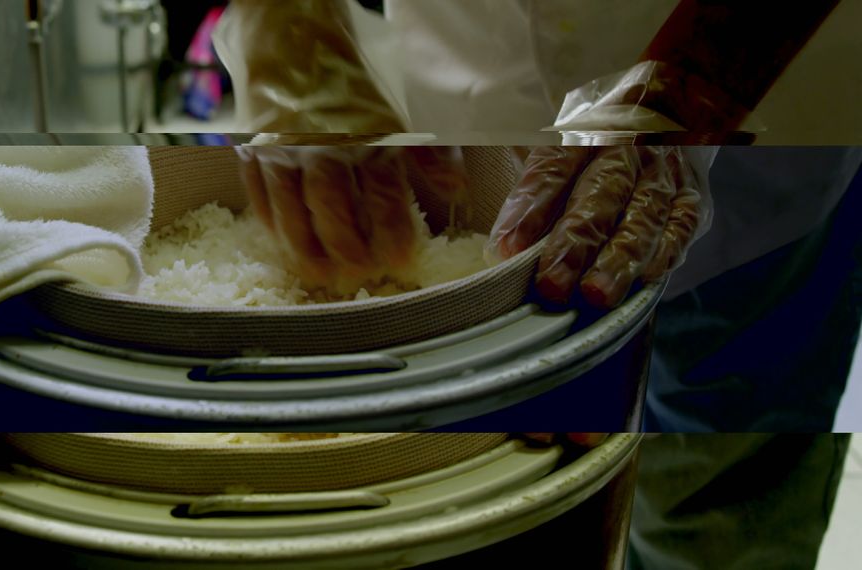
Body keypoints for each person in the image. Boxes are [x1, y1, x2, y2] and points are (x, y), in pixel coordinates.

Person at [216, 1, 861, 567]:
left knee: (715, 513)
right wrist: (287, 19)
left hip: (764, 109)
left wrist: (689, 88)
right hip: (467, 69)